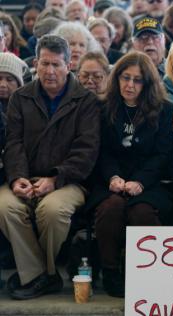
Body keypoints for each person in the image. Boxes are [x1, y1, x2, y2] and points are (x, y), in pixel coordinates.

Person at [0, 35, 100, 300]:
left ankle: (38, 275)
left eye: (56, 65)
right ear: (35, 63)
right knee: (4, 206)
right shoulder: (21, 97)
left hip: (69, 180)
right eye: (44, 64)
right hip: (26, 176)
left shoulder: (86, 101)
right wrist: (18, 179)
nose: (50, 71)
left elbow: (86, 151)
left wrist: (55, 179)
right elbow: (14, 144)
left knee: (52, 211)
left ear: (69, 66)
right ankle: (42, 276)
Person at [87, 52, 173, 297]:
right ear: (117, 78)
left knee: (142, 212)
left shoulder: (164, 109)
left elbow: (162, 154)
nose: (130, 85)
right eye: (126, 78)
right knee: (110, 208)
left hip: (149, 180)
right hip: (110, 179)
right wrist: (113, 177)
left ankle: (147, 274)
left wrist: (141, 182)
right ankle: (111, 271)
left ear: (147, 84)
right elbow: (101, 150)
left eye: (137, 80)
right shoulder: (104, 106)